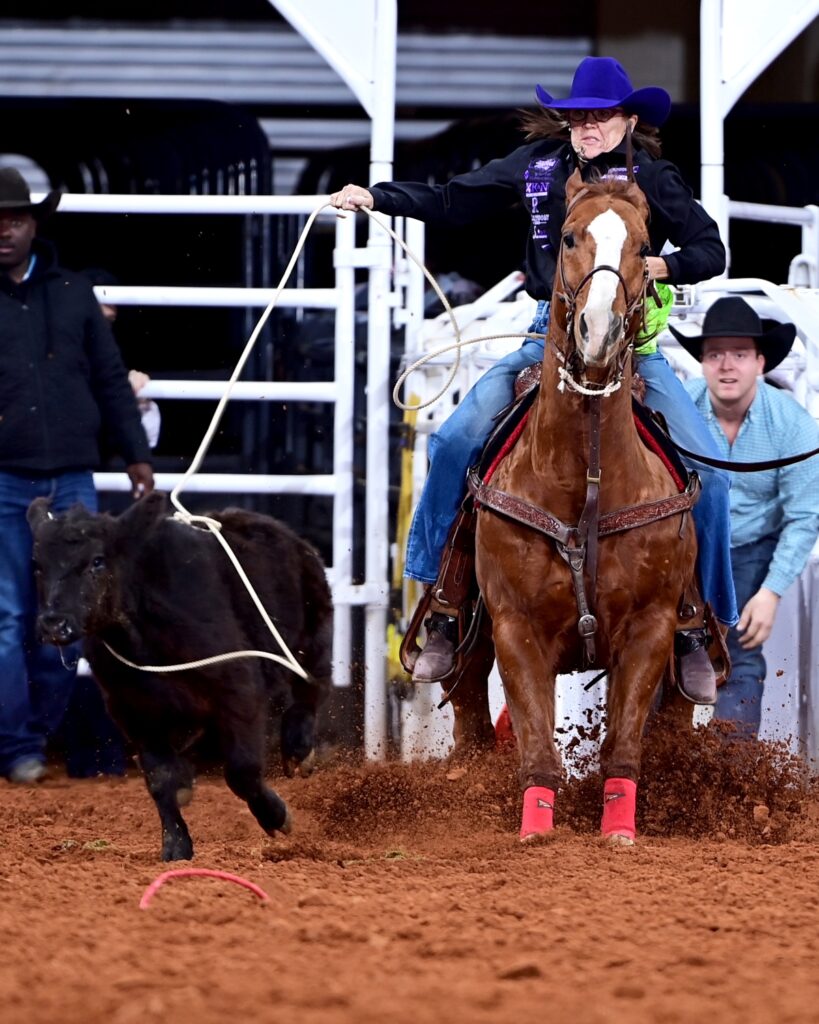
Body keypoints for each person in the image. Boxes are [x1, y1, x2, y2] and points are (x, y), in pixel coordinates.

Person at [331, 56, 739, 702]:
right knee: (456, 440)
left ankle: (700, 622)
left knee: (710, 473)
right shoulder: (536, 167)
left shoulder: (655, 180)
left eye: (600, 117)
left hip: (634, 347)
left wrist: (659, 265)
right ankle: (442, 600)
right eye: (578, 117)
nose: (588, 128)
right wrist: (376, 197)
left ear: (628, 121)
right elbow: (451, 200)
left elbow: (710, 250)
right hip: (544, 338)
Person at [0, 167, 154, 784]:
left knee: (63, 614)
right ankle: (19, 745)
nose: (4, 231)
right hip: (11, 476)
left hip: (67, 475)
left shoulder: (70, 294)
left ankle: (32, 737)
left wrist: (134, 452)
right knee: (11, 617)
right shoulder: (69, 291)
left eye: (13, 219)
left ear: (34, 224)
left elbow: (109, 378)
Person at [673, 296, 819, 737]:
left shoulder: (792, 425)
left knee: (742, 655)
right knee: (660, 649)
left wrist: (771, 593)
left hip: (751, 551)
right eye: (715, 354)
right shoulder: (678, 413)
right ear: (702, 363)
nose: (727, 366)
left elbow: (803, 516)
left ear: (759, 362)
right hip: (686, 546)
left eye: (739, 354)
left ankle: (730, 779)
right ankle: (654, 776)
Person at [81, 267, 162, 449]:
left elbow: (148, 442)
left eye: (107, 322)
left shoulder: (115, 362)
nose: (99, 331)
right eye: (92, 322)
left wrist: (139, 400)